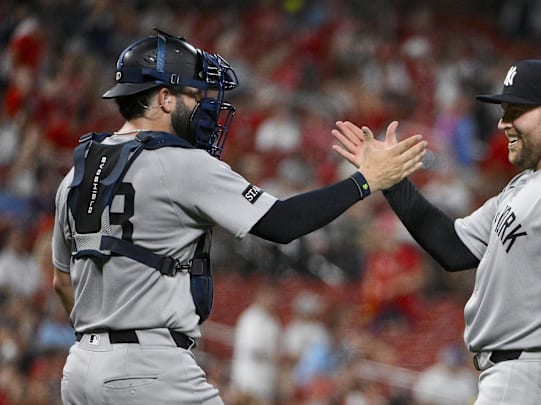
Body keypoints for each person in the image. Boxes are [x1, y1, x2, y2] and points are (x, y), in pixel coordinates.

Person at [50, 29, 426, 404]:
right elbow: (282, 223)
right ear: (164, 99)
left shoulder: (76, 175)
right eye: (194, 95)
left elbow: (61, 283)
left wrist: (101, 342)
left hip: (81, 367)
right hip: (149, 367)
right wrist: (366, 180)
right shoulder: (181, 163)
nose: (204, 106)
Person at [332, 59, 541, 405]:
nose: (503, 123)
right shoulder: (525, 186)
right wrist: (392, 182)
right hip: (523, 373)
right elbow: (452, 248)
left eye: (516, 111)